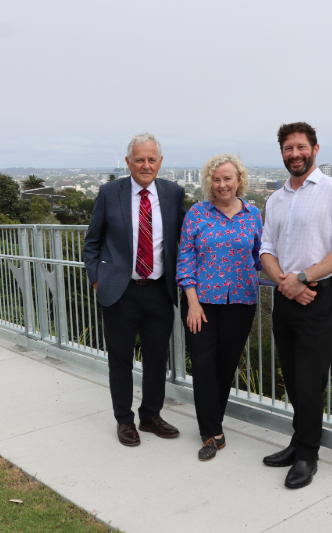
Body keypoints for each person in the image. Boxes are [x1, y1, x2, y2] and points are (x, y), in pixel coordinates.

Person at [259, 122, 332, 489]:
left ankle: (307, 456)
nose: (295, 154)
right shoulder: (276, 198)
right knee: (290, 374)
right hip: (285, 295)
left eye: (301, 147)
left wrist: (301, 278)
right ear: (283, 153)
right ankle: (297, 442)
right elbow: (265, 249)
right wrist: (285, 283)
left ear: (315, 149)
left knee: (308, 379)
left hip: (317, 296)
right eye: (288, 148)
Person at [83, 132, 187, 447]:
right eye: (139, 159)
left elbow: (185, 239)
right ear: (128, 162)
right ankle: (124, 420)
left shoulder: (173, 193)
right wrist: (97, 280)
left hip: (159, 290)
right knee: (121, 360)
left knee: (157, 358)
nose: (145, 165)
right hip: (119, 291)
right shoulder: (109, 192)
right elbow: (92, 243)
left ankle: (151, 416)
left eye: (151, 159)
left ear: (160, 162)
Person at [176, 154, 262, 461]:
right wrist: (192, 303)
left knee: (224, 367)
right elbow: (185, 260)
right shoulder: (197, 214)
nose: (222, 184)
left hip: (241, 301)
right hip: (202, 303)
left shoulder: (253, 214)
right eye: (216, 179)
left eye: (228, 178)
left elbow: (258, 256)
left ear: (239, 180)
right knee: (202, 364)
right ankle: (212, 433)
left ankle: (212, 429)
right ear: (208, 183)